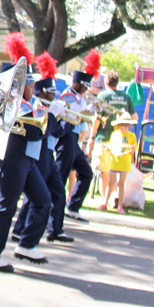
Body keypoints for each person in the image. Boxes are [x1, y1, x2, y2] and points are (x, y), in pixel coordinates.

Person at [0, 67, 52, 270]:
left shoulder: (28, 105)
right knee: (7, 207)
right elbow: (34, 132)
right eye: (30, 85)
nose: (33, 88)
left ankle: (27, 244)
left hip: (27, 160)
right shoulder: (15, 104)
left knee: (43, 201)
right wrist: (51, 118)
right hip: (12, 160)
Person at [12, 53, 74, 244]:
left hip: (49, 154)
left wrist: (65, 119)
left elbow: (57, 132)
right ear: (43, 92)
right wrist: (54, 116)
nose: (54, 96)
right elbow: (42, 131)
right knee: (35, 196)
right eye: (51, 93)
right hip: (38, 153)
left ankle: (55, 229)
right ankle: (19, 229)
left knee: (57, 192)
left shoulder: (45, 106)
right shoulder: (36, 106)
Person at [88, 70, 137, 198]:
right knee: (115, 170)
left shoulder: (103, 96)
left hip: (104, 138)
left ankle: (105, 197)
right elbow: (135, 118)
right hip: (121, 140)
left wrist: (92, 137)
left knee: (105, 171)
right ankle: (114, 196)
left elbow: (97, 119)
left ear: (106, 82)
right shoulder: (126, 97)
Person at [57, 64, 96, 221]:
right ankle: (52, 211)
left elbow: (82, 116)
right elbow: (71, 116)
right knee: (60, 177)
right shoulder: (68, 96)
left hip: (74, 141)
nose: (86, 90)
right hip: (66, 139)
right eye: (85, 86)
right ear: (78, 83)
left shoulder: (79, 98)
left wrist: (92, 108)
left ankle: (73, 207)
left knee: (87, 173)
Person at [100, 116, 138, 213]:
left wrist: (131, 149)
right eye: (122, 125)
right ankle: (104, 203)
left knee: (121, 184)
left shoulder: (132, 136)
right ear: (118, 125)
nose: (124, 127)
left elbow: (133, 150)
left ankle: (120, 206)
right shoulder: (115, 134)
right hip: (115, 161)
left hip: (125, 162)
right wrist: (107, 148)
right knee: (110, 183)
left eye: (126, 125)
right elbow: (112, 147)